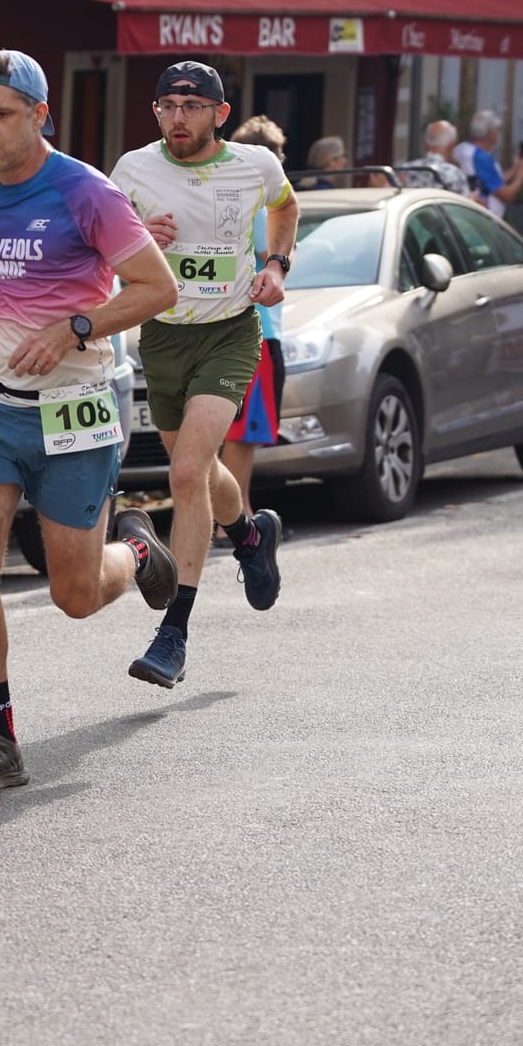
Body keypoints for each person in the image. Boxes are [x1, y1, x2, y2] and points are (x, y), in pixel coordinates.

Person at [0, 49, 180, 797]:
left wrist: (76, 328)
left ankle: (139, 552)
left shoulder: (88, 193)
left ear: (39, 115)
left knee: (75, 594)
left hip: (76, 410)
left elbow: (156, 286)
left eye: (2, 116)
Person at [110, 60, 296, 691]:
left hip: (230, 332)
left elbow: (286, 206)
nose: (177, 118)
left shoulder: (255, 166)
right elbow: (101, 253)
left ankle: (175, 634)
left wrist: (276, 266)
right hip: (161, 335)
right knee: (199, 473)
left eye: (191, 107)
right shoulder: (132, 170)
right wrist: (138, 240)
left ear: (219, 114)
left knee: (187, 471)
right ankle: (249, 534)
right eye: (167, 106)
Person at [219, 115, 293, 521]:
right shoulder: (260, 206)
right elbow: (270, 255)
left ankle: (236, 512)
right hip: (258, 332)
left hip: (247, 328)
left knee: (241, 431)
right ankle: (234, 518)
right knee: (242, 432)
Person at [457, 109, 523, 218]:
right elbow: (507, 196)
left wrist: (515, 168)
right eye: (496, 130)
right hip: (485, 219)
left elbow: (490, 181)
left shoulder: (462, 149)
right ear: (491, 134)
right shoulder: (480, 158)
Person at [399, 119, 472, 195]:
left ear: (424, 142)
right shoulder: (455, 174)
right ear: (451, 145)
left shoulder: (405, 169)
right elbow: (463, 203)